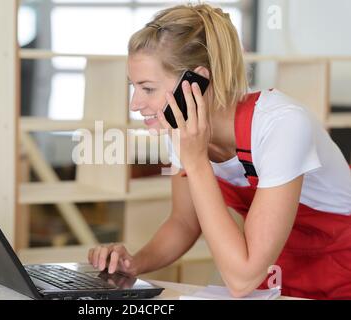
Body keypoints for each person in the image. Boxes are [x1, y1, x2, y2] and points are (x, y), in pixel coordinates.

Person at [87, 3, 351, 299]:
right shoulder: (179, 130)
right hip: (275, 269)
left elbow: (241, 278)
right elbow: (184, 222)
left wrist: (197, 161)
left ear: (197, 82)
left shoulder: (281, 125)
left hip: (342, 268)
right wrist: (133, 263)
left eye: (147, 88)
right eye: (133, 87)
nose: (134, 103)